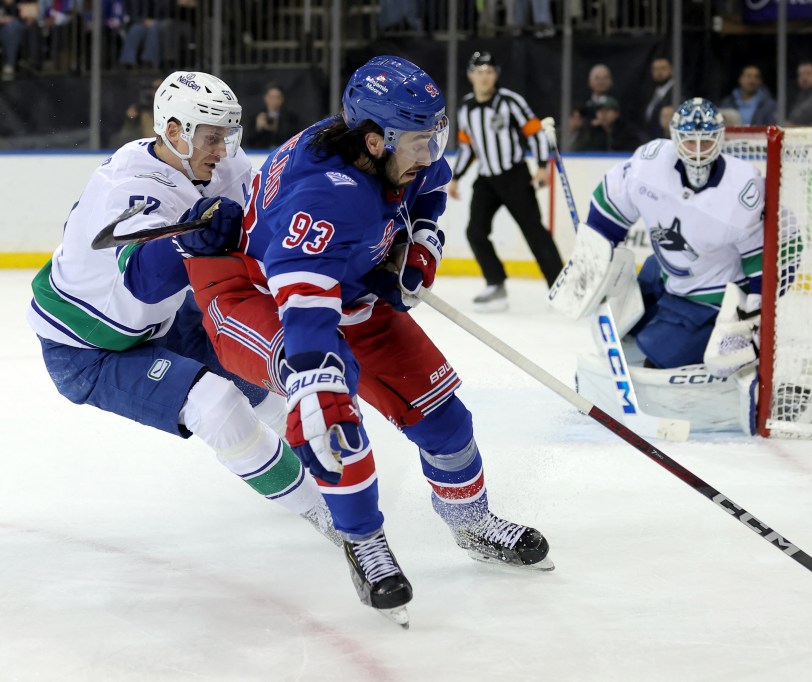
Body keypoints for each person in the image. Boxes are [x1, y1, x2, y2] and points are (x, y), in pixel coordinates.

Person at [181, 56, 554, 626]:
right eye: (419, 143)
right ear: (376, 141)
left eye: (435, 137)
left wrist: (419, 248)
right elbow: (307, 322)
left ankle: (472, 524)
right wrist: (316, 383)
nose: (430, 154)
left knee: (445, 421)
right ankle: (364, 543)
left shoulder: (395, 151)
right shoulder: (325, 199)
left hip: (347, 285)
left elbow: (431, 188)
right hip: (257, 295)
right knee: (328, 410)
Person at [25, 71, 345, 585]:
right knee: (217, 405)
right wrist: (187, 239)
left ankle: (321, 472)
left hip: (164, 317)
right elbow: (144, 280)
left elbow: (266, 212)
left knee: (263, 364)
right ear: (175, 131)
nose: (223, 149)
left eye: (226, 135)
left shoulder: (213, 158)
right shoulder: (131, 186)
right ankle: (330, 519)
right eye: (212, 137)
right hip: (88, 347)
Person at [549, 97, 769, 432]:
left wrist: (754, 310)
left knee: (660, 353)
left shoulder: (743, 187)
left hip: (711, 297)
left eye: (706, 140)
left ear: (720, 139)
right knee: (626, 320)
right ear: (674, 136)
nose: (697, 150)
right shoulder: (651, 162)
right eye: (690, 140)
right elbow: (611, 206)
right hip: (665, 274)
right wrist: (594, 255)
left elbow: (764, 256)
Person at [449, 51, 564, 311]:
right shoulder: (466, 107)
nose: (484, 77)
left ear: (496, 75)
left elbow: (535, 134)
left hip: (515, 176)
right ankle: (496, 284)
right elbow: (468, 147)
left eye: (489, 71)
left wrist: (543, 167)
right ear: (470, 76)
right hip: (486, 179)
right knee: (475, 232)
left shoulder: (511, 101)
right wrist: (456, 177)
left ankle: (560, 287)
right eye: (479, 72)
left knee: (534, 232)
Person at [576, 95, 645, 152]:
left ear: (617, 113)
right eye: (600, 111)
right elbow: (578, 150)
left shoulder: (629, 132)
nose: (603, 114)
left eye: (607, 110)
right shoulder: (592, 132)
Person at [246, 82, 301, 149]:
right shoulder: (256, 117)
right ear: (265, 98)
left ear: (282, 99)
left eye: (277, 97)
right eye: (271, 97)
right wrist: (257, 128)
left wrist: (277, 128)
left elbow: (294, 140)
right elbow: (248, 142)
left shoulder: (291, 118)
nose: (274, 101)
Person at [640, 57, 675, 139]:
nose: (659, 72)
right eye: (655, 69)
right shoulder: (648, 92)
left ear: (671, 70)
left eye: (663, 68)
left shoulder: (678, 93)